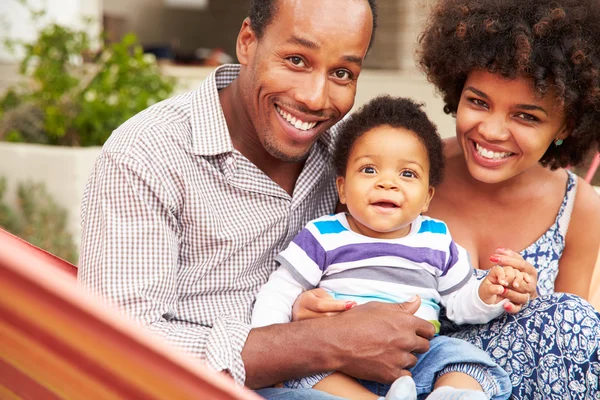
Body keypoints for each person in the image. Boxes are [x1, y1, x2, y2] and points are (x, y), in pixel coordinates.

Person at [78, 1, 445, 399]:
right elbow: (118, 346)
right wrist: (322, 341)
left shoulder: (352, 159)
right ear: (248, 41)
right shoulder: (148, 155)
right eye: (296, 60)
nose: (315, 98)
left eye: (342, 73)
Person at [292, 0, 600, 398]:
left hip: (491, 384)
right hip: (386, 377)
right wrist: (308, 310)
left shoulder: (578, 206)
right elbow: (334, 264)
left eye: (526, 116)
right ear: (456, 91)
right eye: (478, 102)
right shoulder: (400, 174)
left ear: (568, 123)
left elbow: (570, 350)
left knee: (572, 317)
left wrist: (524, 297)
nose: (491, 131)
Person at [252, 96, 516, 400]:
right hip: (340, 360)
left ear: (427, 197)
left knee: (465, 358)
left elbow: (460, 303)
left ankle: (448, 395)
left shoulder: (436, 238)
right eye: (368, 170)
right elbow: (280, 291)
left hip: (417, 356)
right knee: (301, 370)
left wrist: (488, 294)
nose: (387, 183)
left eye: (407, 174)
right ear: (342, 188)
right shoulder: (324, 235)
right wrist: (275, 349)